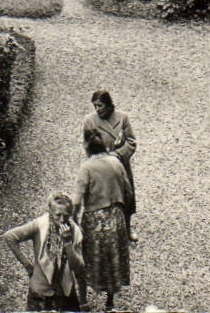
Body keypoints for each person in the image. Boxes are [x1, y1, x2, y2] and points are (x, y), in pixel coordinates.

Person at [73, 134, 133, 312]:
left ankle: (84, 299)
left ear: (87, 149)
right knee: (113, 257)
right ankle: (110, 302)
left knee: (88, 258)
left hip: (94, 219)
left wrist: (75, 219)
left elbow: (77, 200)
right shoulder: (116, 164)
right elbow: (128, 192)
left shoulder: (86, 167)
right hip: (116, 216)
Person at [4, 193, 85, 311]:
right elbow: (10, 237)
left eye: (66, 216)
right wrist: (28, 266)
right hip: (40, 292)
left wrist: (68, 243)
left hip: (65, 292)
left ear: (70, 214)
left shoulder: (75, 231)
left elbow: (78, 267)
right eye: (58, 215)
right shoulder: (39, 226)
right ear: (50, 212)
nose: (62, 220)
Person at [82, 89, 137, 233]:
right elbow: (87, 145)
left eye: (100, 105)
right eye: (95, 106)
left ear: (108, 104)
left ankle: (128, 228)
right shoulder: (89, 121)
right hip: (101, 166)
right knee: (103, 196)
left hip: (120, 164)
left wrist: (118, 154)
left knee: (126, 195)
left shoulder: (122, 118)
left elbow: (131, 142)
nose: (97, 109)